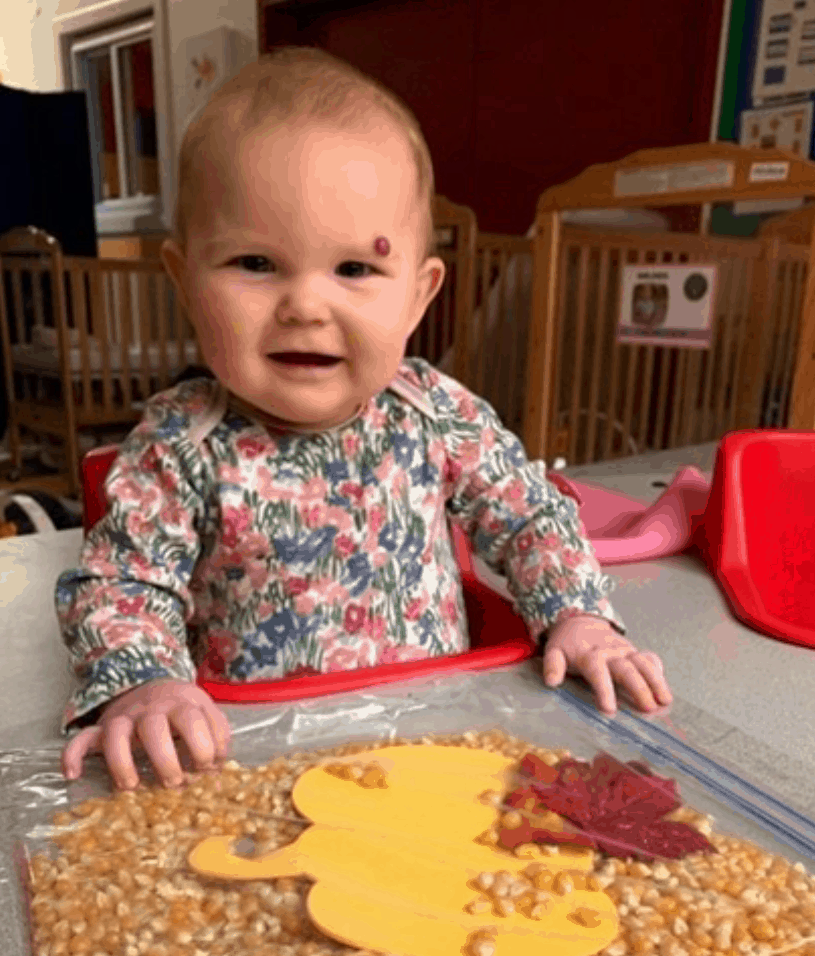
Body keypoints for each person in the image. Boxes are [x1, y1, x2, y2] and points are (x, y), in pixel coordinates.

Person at [57, 47, 672, 793]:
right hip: (250, 766)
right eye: (255, 263)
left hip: (440, 748)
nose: (305, 306)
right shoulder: (176, 445)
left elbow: (531, 517)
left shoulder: (436, 415)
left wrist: (577, 616)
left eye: (353, 269)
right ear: (184, 284)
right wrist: (145, 683)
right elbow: (125, 584)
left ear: (417, 297)